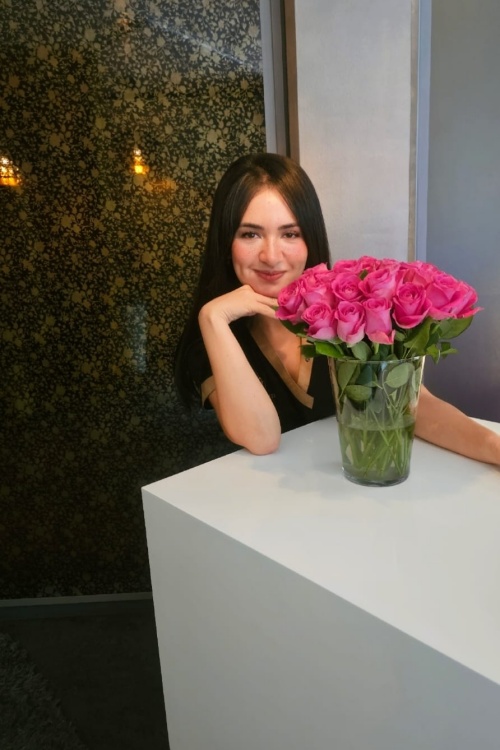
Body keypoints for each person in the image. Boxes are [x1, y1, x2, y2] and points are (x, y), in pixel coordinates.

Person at [174, 152, 500, 466]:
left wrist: (493, 448)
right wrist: (212, 318)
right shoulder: (211, 339)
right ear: (225, 242)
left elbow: (415, 405)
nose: (271, 256)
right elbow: (261, 439)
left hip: (364, 485)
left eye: (290, 234)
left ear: (310, 238)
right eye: (250, 234)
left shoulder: (348, 314)